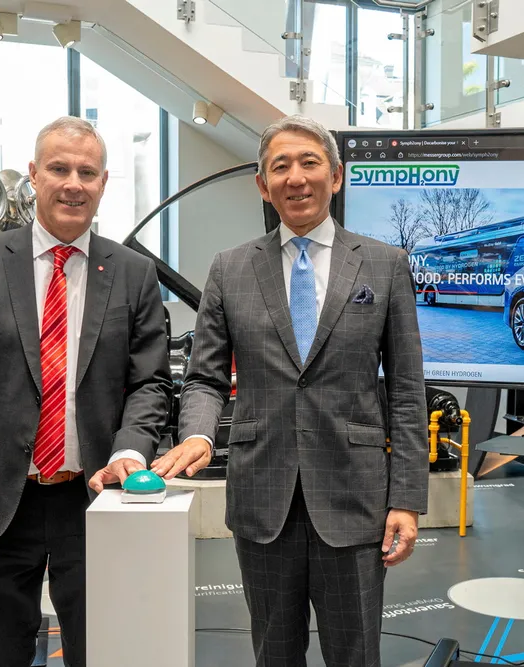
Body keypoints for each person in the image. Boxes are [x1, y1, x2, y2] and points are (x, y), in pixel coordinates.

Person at [152, 114, 428, 667]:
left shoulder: (385, 265)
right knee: (274, 653)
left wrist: (406, 498)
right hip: (263, 496)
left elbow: (405, 389)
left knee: (355, 655)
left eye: (309, 163)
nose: (296, 177)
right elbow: (204, 377)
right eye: (280, 167)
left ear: (336, 176)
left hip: (354, 498)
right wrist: (199, 434)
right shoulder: (230, 269)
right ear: (263, 184)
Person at [0, 116, 172, 667]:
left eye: (87, 172)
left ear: (104, 182)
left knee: (102, 653)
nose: (73, 184)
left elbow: (150, 383)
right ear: (34, 175)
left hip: (95, 498)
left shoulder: (134, 273)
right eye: (59, 169)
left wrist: (131, 452)